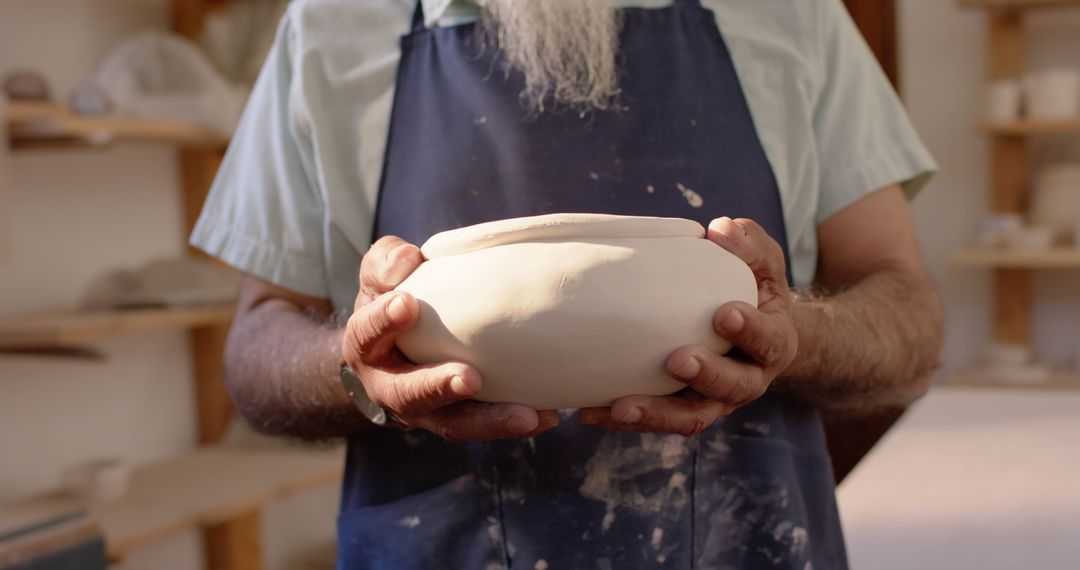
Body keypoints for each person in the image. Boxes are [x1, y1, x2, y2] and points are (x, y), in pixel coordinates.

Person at [191, 0, 943, 567]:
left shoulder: (788, 14)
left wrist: (796, 337)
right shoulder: (331, 25)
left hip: (747, 541)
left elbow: (907, 314)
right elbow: (257, 344)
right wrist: (354, 366)